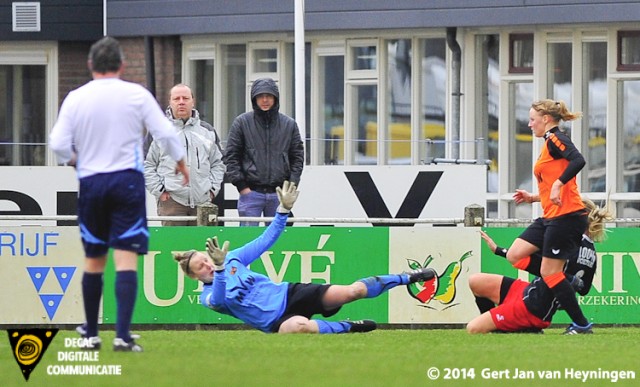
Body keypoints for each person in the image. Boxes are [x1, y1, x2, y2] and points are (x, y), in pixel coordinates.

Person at [49, 36, 189, 352]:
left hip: (92, 182)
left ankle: (90, 335)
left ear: (89, 65)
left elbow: (57, 143)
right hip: (126, 181)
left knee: (94, 258)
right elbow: (165, 132)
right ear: (123, 65)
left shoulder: (76, 97)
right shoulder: (135, 95)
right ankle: (123, 336)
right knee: (125, 258)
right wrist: (180, 162)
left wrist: (76, 160)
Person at [173, 180, 436, 334]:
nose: (208, 264)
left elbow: (265, 240)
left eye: (206, 260)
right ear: (195, 276)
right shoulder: (207, 296)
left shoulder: (232, 260)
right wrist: (218, 270)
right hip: (276, 321)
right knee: (301, 328)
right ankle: (348, 327)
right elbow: (219, 298)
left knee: (354, 291)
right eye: (201, 267)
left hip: (291, 293)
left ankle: (406, 277)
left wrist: (282, 210)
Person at [503, 99, 595, 334]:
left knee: (548, 272)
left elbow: (579, 160)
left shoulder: (555, 138)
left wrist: (557, 184)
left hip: (567, 216)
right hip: (551, 216)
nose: (529, 123)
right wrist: (533, 197)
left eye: (532, 119)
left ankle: (581, 324)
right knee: (515, 254)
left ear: (546, 119)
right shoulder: (548, 143)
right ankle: (566, 279)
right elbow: (555, 182)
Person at [467, 198, 613, 334]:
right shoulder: (591, 252)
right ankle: (500, 325)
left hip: (532, 309)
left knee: (473, 328)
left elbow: (540, 267)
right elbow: (584, 290)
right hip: (529, 292)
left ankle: (516, 327)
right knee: (476, 281)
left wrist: (566, 283)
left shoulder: (567, 240)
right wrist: (569, 284)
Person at [223, 77, 304, 226]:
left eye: (268, 96)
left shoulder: (289, 125)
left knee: (278, 241)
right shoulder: (241, 123)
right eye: (260, 96)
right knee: (248, 241)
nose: (265, 100)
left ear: (275, 98)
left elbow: (297, 158)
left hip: (279, 194)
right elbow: (231, 157)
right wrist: (242, 186)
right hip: (250, 193)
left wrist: (290, 187)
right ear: (254, 99)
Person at [144, 84, 225, 226]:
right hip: (172, 202)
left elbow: (218, 163)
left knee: (203, 247)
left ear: (192, 101)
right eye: (176, 98)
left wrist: (211, 190)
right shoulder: (158, 131)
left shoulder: (207, 130)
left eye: (185, 98)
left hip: (202, 202)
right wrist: (160, 191)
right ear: (170, 102)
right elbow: (146, 165)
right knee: (174, 247)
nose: (181, 102)